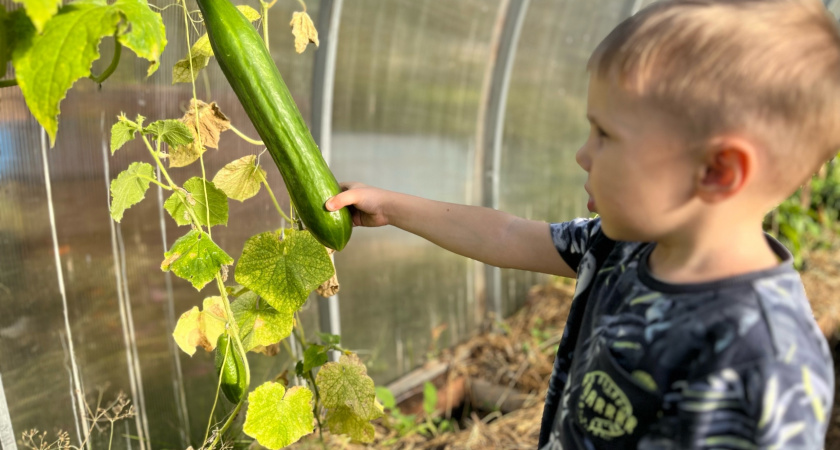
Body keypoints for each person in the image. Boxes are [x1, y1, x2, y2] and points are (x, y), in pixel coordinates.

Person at [326, 0, 839, 447]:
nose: (581, 154)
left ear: (717, 171)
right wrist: (392, 206)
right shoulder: (628, 245)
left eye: (605, 135)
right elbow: (507, 234)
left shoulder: (762, 361)